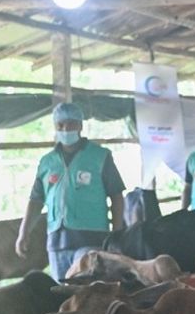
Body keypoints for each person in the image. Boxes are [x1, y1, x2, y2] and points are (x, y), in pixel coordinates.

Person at [16, 102, 126, 281]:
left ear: (80, 125)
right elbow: (36, 200)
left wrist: (117, 234)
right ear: (55, 126)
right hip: (57, 241)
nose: (66, 129)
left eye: (71, 123)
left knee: (88, 287)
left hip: (92, 238)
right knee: (61, 290)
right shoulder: (47, 162)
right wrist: (23, 233)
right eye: (60, 124)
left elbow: (116, 196)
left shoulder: (100, 156)